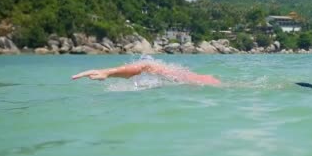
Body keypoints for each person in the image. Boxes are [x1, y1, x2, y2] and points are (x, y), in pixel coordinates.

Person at [71, 60, 221, 86]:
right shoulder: (207, 80)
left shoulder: (208, 80)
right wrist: (107, 72)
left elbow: (147, 66)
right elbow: (147, 66)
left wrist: (108, 72)